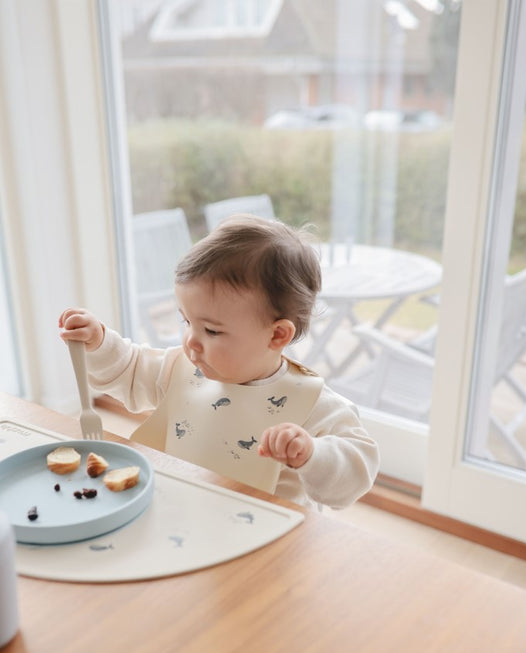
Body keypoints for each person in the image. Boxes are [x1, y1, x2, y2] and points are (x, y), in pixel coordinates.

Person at [59, 214, 379, 509]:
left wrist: (311, 453)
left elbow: (356, 472)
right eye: (186, 322)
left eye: (211, 330)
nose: (191, 342)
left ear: (277, 335)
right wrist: (99, 342)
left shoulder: (312, 404)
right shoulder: (181, 368)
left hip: (269, 544)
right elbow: (129, 370)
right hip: (183, 514)